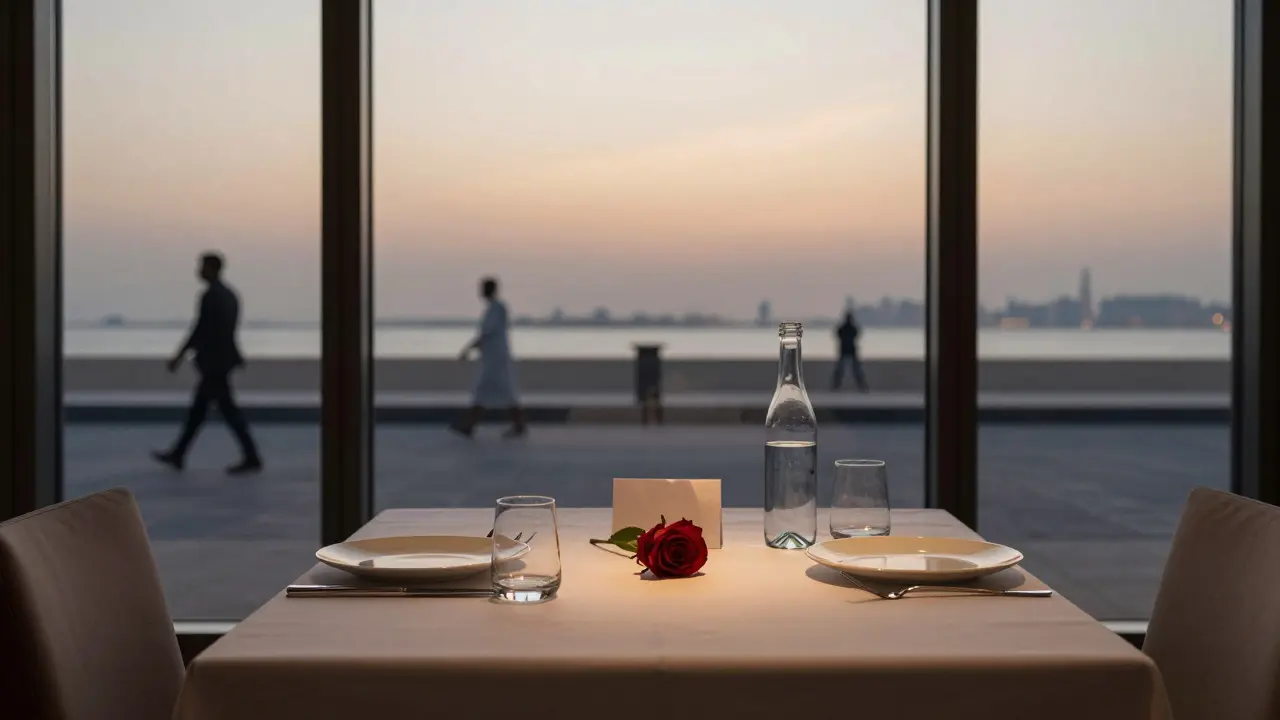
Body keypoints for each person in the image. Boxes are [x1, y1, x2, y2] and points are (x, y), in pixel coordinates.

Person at [152, 252, 263, 474]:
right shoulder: (230, 294)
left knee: (222, 411)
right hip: (222, 361)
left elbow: (201, 329)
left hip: (215, 364)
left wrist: (179, 355)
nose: (198, 271)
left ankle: (251, 457)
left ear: (212, 268)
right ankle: (179, 454)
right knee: (203, 410)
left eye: (202, 266)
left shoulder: (211, 296)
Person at [450, 277, 526, 438]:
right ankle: (472, 426)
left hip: (496, 360)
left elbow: (486, 333)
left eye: (483, 288)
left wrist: (468, 348)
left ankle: (470, 426)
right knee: (495, 392)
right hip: (493, 359)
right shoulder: (494, 308)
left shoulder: (496, 308)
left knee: (489, 391)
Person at [832, 311, 869, 392]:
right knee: (855, 371)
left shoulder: (843, 328)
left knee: (844, 370)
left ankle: (835, 386)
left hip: (846, 350)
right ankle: (862, 387)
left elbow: (838, 334)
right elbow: (856, 334)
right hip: (849, 350)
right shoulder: (851, 328)